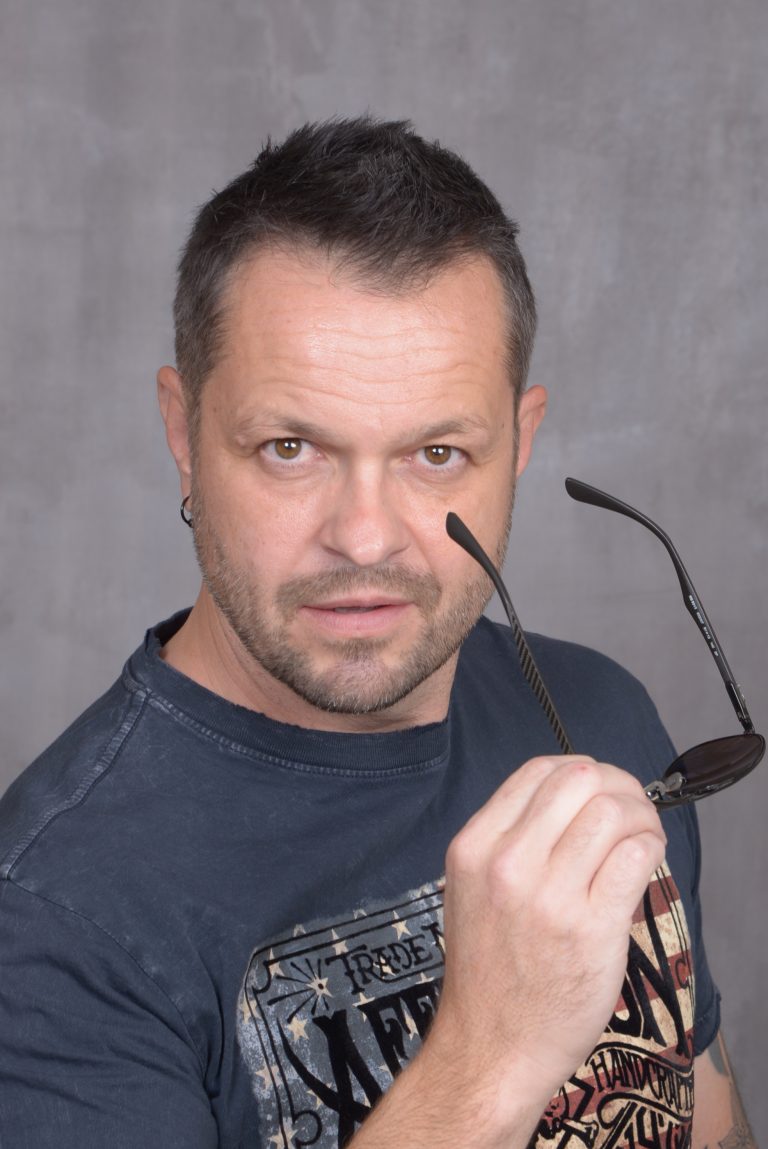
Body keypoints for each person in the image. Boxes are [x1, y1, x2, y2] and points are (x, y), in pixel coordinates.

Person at [0, 117, 754, 1149]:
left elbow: (705, 1121)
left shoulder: (601, 715)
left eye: (437, 453)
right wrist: (488, 1060)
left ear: (520, 441)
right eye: (291, 447)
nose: (364, 537)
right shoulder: (53, 911)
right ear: (184, 434)